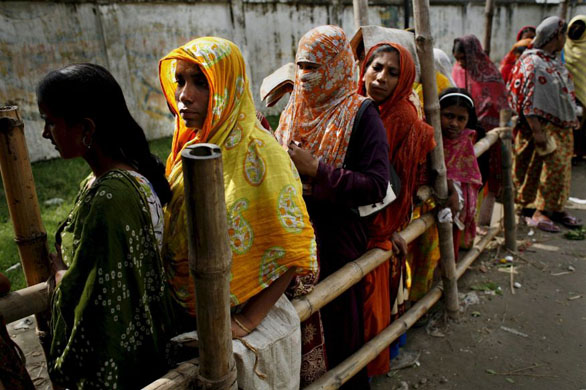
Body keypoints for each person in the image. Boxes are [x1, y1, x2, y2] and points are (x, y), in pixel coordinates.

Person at [159, 37, 318, 388]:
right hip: (185, 312)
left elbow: (295, 247)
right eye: (180, 80)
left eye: (201, 82)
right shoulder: (189, 142)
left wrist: (247, 320)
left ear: (229, 86)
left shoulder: (262, 153)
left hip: (229, 316)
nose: (185, 95)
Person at [36, 63, 177, 389]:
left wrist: (60, 277)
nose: (46, 134)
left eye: (50, 122)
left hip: (122, 367)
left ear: (86, 128)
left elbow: (101, 297)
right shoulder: (103, 182)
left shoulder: (112, 197)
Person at [276, 25, 390, 389]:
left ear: (339, 66)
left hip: (337, 245)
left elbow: (376, 184)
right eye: (301, 66)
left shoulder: (361, 114)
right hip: (293, 246)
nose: (306, 76)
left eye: (315, 67)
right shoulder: (293, 108)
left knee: (341, 339)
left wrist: (319, 172)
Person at [357, 42, 436, 376]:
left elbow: (390, 179)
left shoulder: (399, 116)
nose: (381, 78)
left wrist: (389, 228)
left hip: (376, 223)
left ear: (403, 81)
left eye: (393, 73)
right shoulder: (356, 106)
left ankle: (370, 365)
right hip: (360, 217)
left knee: (370, 296)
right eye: (376, 67)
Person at [508, 16, 581, 231]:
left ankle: (554, 209)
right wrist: (537, 132)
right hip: (540, 129)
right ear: (555, 36)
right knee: (541, 171)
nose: (565, 40)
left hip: (560, 128)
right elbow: (529, 100)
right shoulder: (534, 62)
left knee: (559, 172)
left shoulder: (552, 61)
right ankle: (537, 210)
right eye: (563, 35)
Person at [452, 34, 508, 233]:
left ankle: (482, 222)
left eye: (464, 58)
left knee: (487, 177)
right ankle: (468, 225)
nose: (460, 63)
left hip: (488, 135)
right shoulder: (458, 70)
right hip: (462, 133)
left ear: (473, 55)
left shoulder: (490, 75)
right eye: (457, 59)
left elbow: (499, 104)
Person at [439, 89, 483, 259]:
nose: (454, 124)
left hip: (456, 208)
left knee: (448, 251)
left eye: (461, 119)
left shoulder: (466, 140)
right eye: (449, 116)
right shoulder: (430, 137)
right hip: (432, 203)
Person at [565, 15, 586, 159]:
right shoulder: (562, 46)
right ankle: (572, 152)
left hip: (582, 92)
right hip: (567, 93)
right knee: (573, 125)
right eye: (574, 27)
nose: (576, 30)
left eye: (580, 28)